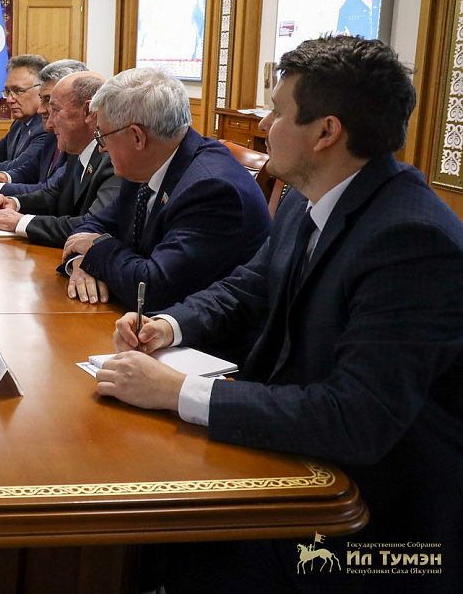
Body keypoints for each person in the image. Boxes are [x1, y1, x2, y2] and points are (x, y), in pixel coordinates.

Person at [96, 36, 463, 593]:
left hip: (374, 527)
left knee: (171, 537)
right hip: (298, 463)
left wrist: (176, 392)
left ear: (325, 132)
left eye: (277, 110)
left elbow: (356, 418)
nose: (264, 123)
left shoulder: (410, 239)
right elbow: (248, 287)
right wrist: (168, 325)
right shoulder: (306, 195)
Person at [61, 67, 270, 310]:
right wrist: (81, 262)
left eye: (102, 136)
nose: (101, 149)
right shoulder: (145, 164)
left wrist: (96, 250)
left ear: (137, 137)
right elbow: (93, 226)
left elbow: (153, 289)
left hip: (199, 339)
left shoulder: (212, 189)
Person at [0, 72, 121, 246]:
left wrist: (20, 222)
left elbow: (92, 226)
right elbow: (55, 194)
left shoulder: (114, 157)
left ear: (88, 112)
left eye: (55, 110)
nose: (48, 123)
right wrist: (14, 203)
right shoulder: (78, 150)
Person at [0, 59, 87, 199]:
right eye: (43, 99)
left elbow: (51, 190)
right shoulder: (51, 132)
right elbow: (28, 170)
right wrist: (4, 177)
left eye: (50, 101)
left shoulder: (83, 142)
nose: (41, 109)